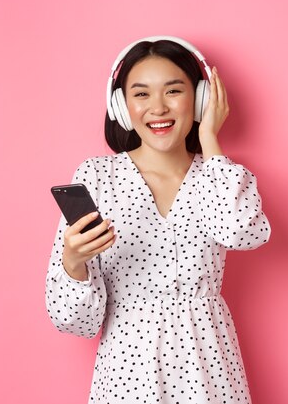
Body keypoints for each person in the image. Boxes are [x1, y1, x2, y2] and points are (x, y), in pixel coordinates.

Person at [46, 36, 271, 403]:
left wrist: (210, 139)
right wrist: (73, 262)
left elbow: (242, 232)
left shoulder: (219, 177)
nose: (158, 108)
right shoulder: (98, 177)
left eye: (173, 91)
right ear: (121, 106)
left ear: (199, 99)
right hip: (126, 373)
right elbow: (75, 322)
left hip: (208, 367)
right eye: (141, 94)